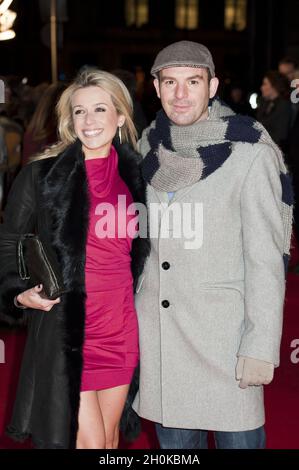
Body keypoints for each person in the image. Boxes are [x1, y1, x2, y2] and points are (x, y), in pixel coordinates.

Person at [132, 41, 293, 449]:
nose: (181, 93)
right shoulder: (145, 148)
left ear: (212, 85)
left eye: (193, 81)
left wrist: (260, 346)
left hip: (226, 343)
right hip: (163, 345)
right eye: (170, 82)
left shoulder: (250, 155)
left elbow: (265, 261)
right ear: (156, 87)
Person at [0, 69, 150, 449]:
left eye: (100, 109)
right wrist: (18, 293)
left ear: (120, 117)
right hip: (69, 330)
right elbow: (7, 242)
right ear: (68, 120)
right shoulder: (40, 176)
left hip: (121, 329)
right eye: (79, 111)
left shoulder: (141, 177)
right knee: (91, 442)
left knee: (111, 441)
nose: (89, 120)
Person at [256, 70, 291, 152]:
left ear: (275, 86)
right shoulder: (264, 103)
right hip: (263, 148)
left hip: (274, 152)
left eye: (265, 84)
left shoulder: (284, 105)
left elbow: (281, 135)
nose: (261, 87)